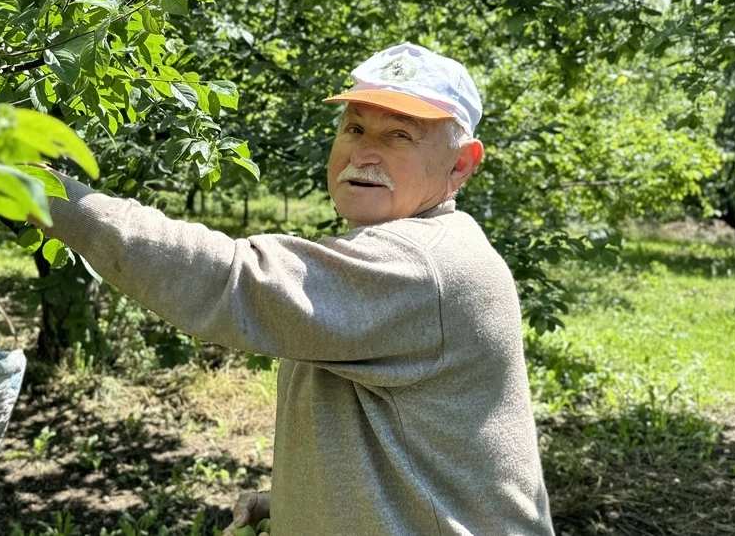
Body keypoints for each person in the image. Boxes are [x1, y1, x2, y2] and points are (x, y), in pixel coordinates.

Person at [38, 43, 554, 534]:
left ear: (460, 164)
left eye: (400, 135)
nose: (364, 154)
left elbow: (228, 279)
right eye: (354, 127)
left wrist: (27, 184)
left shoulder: (425, 266)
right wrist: (293, 507)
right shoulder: (407, 250)